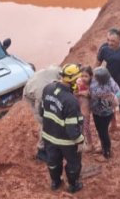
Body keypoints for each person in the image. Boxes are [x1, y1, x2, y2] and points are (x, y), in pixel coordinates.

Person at [41, 63, 84, 193]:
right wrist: (81, 140)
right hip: (66, 142)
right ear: (72, 80)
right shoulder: (71, 101)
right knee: (73, 163)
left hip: (49, 137)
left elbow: (41, 110)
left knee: (53, 161)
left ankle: (55, 182)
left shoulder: (48, 89)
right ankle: (73, 185)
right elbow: (72, 131)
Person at [23, 65, 61, 161]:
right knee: (44, 124)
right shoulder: (41, 91)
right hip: (31, 97)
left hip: (39, 87)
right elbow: (40, 110)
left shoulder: (57, 70)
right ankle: (41, 150)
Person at [89, 66, 120, 159]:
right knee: (99, 130)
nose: (94, 77)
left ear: (100, 78)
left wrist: (111, 102)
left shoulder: (108, 84)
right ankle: (103, 147)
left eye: (95, 76)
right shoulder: (99, 81)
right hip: (96, 112)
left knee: (103, 132)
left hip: (105, 114)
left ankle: (107, 153)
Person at [75, 66, 95, 152]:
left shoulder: (92, 85)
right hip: (78, 108)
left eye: (86, 76)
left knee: (86, 127)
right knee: (79, 126)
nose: (83, 78)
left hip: (86, 110)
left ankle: (90, 144)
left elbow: (91, 95)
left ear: (91, 76)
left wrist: (85, 94)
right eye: (82, 76)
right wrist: (81, 93)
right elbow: (74, 93)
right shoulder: (78, 83)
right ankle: (81, 143)